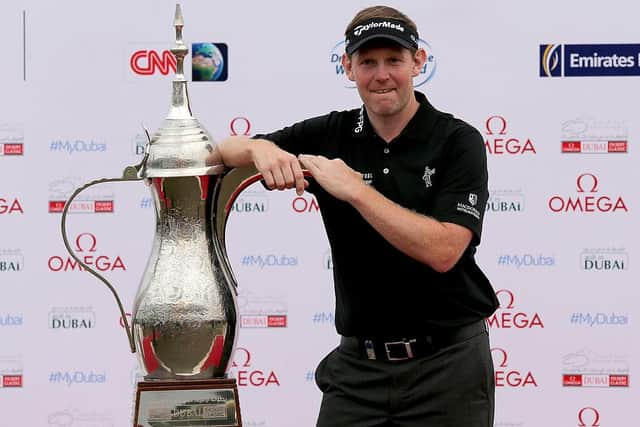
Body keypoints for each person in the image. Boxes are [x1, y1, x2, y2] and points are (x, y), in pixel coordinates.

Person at [211, 5, 498, 426]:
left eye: (394, 61)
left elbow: (444, 250)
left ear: (418, 62)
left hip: (448, 366)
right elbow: (222, 153)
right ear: (348, 68)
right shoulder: (332, 134)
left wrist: (357, 191)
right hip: (358, 368)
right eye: (367, 62)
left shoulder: (458, 141)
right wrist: (258, 148)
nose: (381, 75)